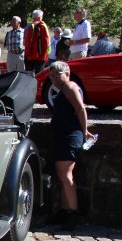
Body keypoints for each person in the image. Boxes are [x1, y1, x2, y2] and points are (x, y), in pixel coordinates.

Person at [48, 61, 95, 230]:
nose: (54, 79)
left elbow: (80, 109)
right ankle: (65, 211)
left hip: (69, 136)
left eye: (57, 75)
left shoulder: (69, 87)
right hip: (64, 135)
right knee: (62, 175)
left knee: (66, 175)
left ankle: (73, 214)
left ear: (67, 74)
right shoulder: (64, 89)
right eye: (51, 76)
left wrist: (84, 131)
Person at [23, 9, 50, 74]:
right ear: (40, 17)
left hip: (28, 55)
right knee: (38, 76)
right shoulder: (42, 26)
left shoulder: (28, 26)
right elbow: (46, 41)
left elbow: (24, 41)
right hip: (40, 56)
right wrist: (45, 54)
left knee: (28, 75)